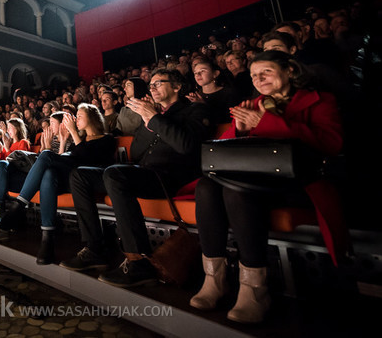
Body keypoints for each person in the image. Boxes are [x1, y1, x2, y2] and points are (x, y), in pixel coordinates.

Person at [190, 50, 345, 324]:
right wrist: (238, 128)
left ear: (290, 71)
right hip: (259, 179)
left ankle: (255, 288)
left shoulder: (320, 100)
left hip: (300, 183)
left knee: (235, 188)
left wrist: (266, 122)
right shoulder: (255, 103)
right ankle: (215, 278)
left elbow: (330, 143)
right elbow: (227, 149)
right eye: (253, 76)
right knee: (206, 186)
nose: (258, 79)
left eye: (266, 73)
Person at [62, 69, 213, 286]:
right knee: (80, 175)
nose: (152, 88)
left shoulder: (194, 111)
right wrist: (148, 120)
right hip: (146, 174)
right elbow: (138, 151)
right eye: (150, 85)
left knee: (115, 173)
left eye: (158, 83)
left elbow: (186, 146)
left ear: (177, 87)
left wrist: (154, 118)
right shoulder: (151, 114)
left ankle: (137, 260)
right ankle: (94, 248)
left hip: (170, 178)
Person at [0, 104, 116, 265]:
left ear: (92, 118)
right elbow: (70, 158)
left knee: (47, 154)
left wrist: (73, 133)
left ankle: (18, 206)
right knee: (48, 173)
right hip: (68, 177)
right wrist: (66, 138)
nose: (76, 119)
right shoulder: (80, 140)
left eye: (80, 115)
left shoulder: (107, 139)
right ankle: (47, 240)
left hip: (86, 179)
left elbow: (85, 159)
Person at [187, 58, 239, 124]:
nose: (198, 75)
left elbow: (229, 120)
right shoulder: (197, 95)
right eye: (195, 73)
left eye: (202, 71)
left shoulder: (229, 93)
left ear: (215, 74)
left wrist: (203, 105)